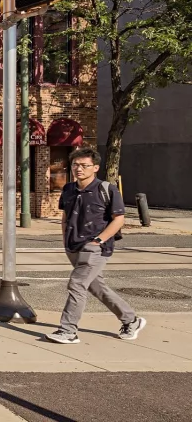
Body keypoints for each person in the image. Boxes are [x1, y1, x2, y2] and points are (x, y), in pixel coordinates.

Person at [44, 146, 145, 344]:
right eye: (75, 165)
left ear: (95, 167)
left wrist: (98, 240)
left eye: (84, 165)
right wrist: (65, 239)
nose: (78, 169)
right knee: (98, 288)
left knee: (77, 284)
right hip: (73, 246)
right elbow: (65, 216)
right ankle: (131, 320)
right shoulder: (69, 189)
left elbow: (119, 219)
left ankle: (68, 330)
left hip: (96, 248)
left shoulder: (106, 189)